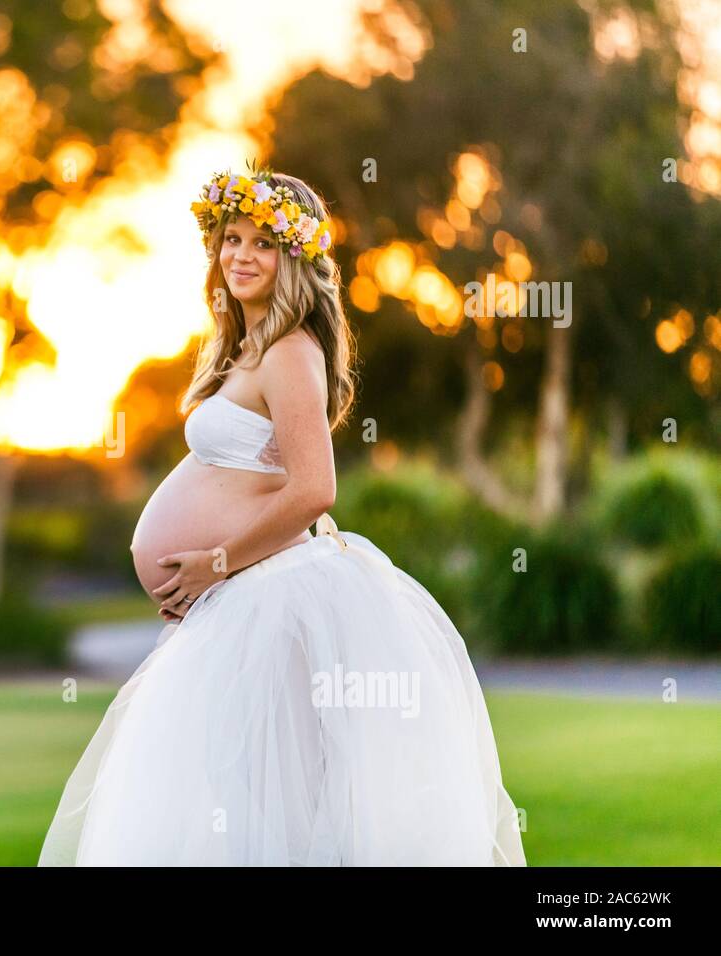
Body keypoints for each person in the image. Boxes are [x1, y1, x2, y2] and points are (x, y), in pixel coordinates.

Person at [37, 167, 526, 866]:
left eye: (261, 243)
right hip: (237, 598)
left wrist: (215, 560)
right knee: (230, 795)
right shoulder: (245, 348)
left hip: (274, 594)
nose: (239, 255)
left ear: (293, 257)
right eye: (230, 239)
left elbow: (314, 488)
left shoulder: (292, 349)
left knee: (274, 797)